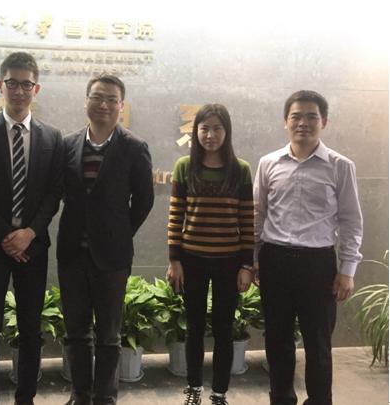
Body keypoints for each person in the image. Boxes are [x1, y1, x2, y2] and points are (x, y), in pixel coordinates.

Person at [0, 52, 63, 405]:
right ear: (0, 85)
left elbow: (54, 192)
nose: (19, 91)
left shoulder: (52, 137)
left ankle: (26, 399)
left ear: (36, 88)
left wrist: (29, 233)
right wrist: (7, 236)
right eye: (12, 83)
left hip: (33, 247)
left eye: (26, 84)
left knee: (31, 328)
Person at [253, 90, 363, 405]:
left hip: (318, 265)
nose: (303, 123)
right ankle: (281, 398)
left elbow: (351, 221)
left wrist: (347, 270)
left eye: (311, 116)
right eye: (296, 116)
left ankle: (319, 400)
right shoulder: (268, 163)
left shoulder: (340, 166)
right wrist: (254, 259)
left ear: (323, 122)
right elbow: (258, 214)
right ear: (285, 122)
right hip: (275, 261)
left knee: (318, 343)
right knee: (277, 341)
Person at [57, 74, 154, 405]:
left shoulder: (134, 147)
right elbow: (60, 192)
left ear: (121, 106)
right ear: (86, 101)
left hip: (112, 256)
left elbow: (144, 200)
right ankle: (80, 395)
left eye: (112, 99)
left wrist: (119, 232)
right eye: (97, 97)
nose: (104, 104)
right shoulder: (67, 145)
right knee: (75, 332)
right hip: (72, 253)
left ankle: (105, 397)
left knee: (109, 335)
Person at [166, 104, 254, 405]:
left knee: (224, 328)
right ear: (196, 131)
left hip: (229, 261)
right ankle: (194, 388)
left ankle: (219, 392)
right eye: (204, 128)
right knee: (193, 327)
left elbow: (247, 220)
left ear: (226, 132)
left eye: (217, 128)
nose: (210, 134)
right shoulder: (184, 167)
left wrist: (246, 265)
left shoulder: (240, 169)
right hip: (192, 260)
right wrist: (174, 260)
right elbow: (175, 217)